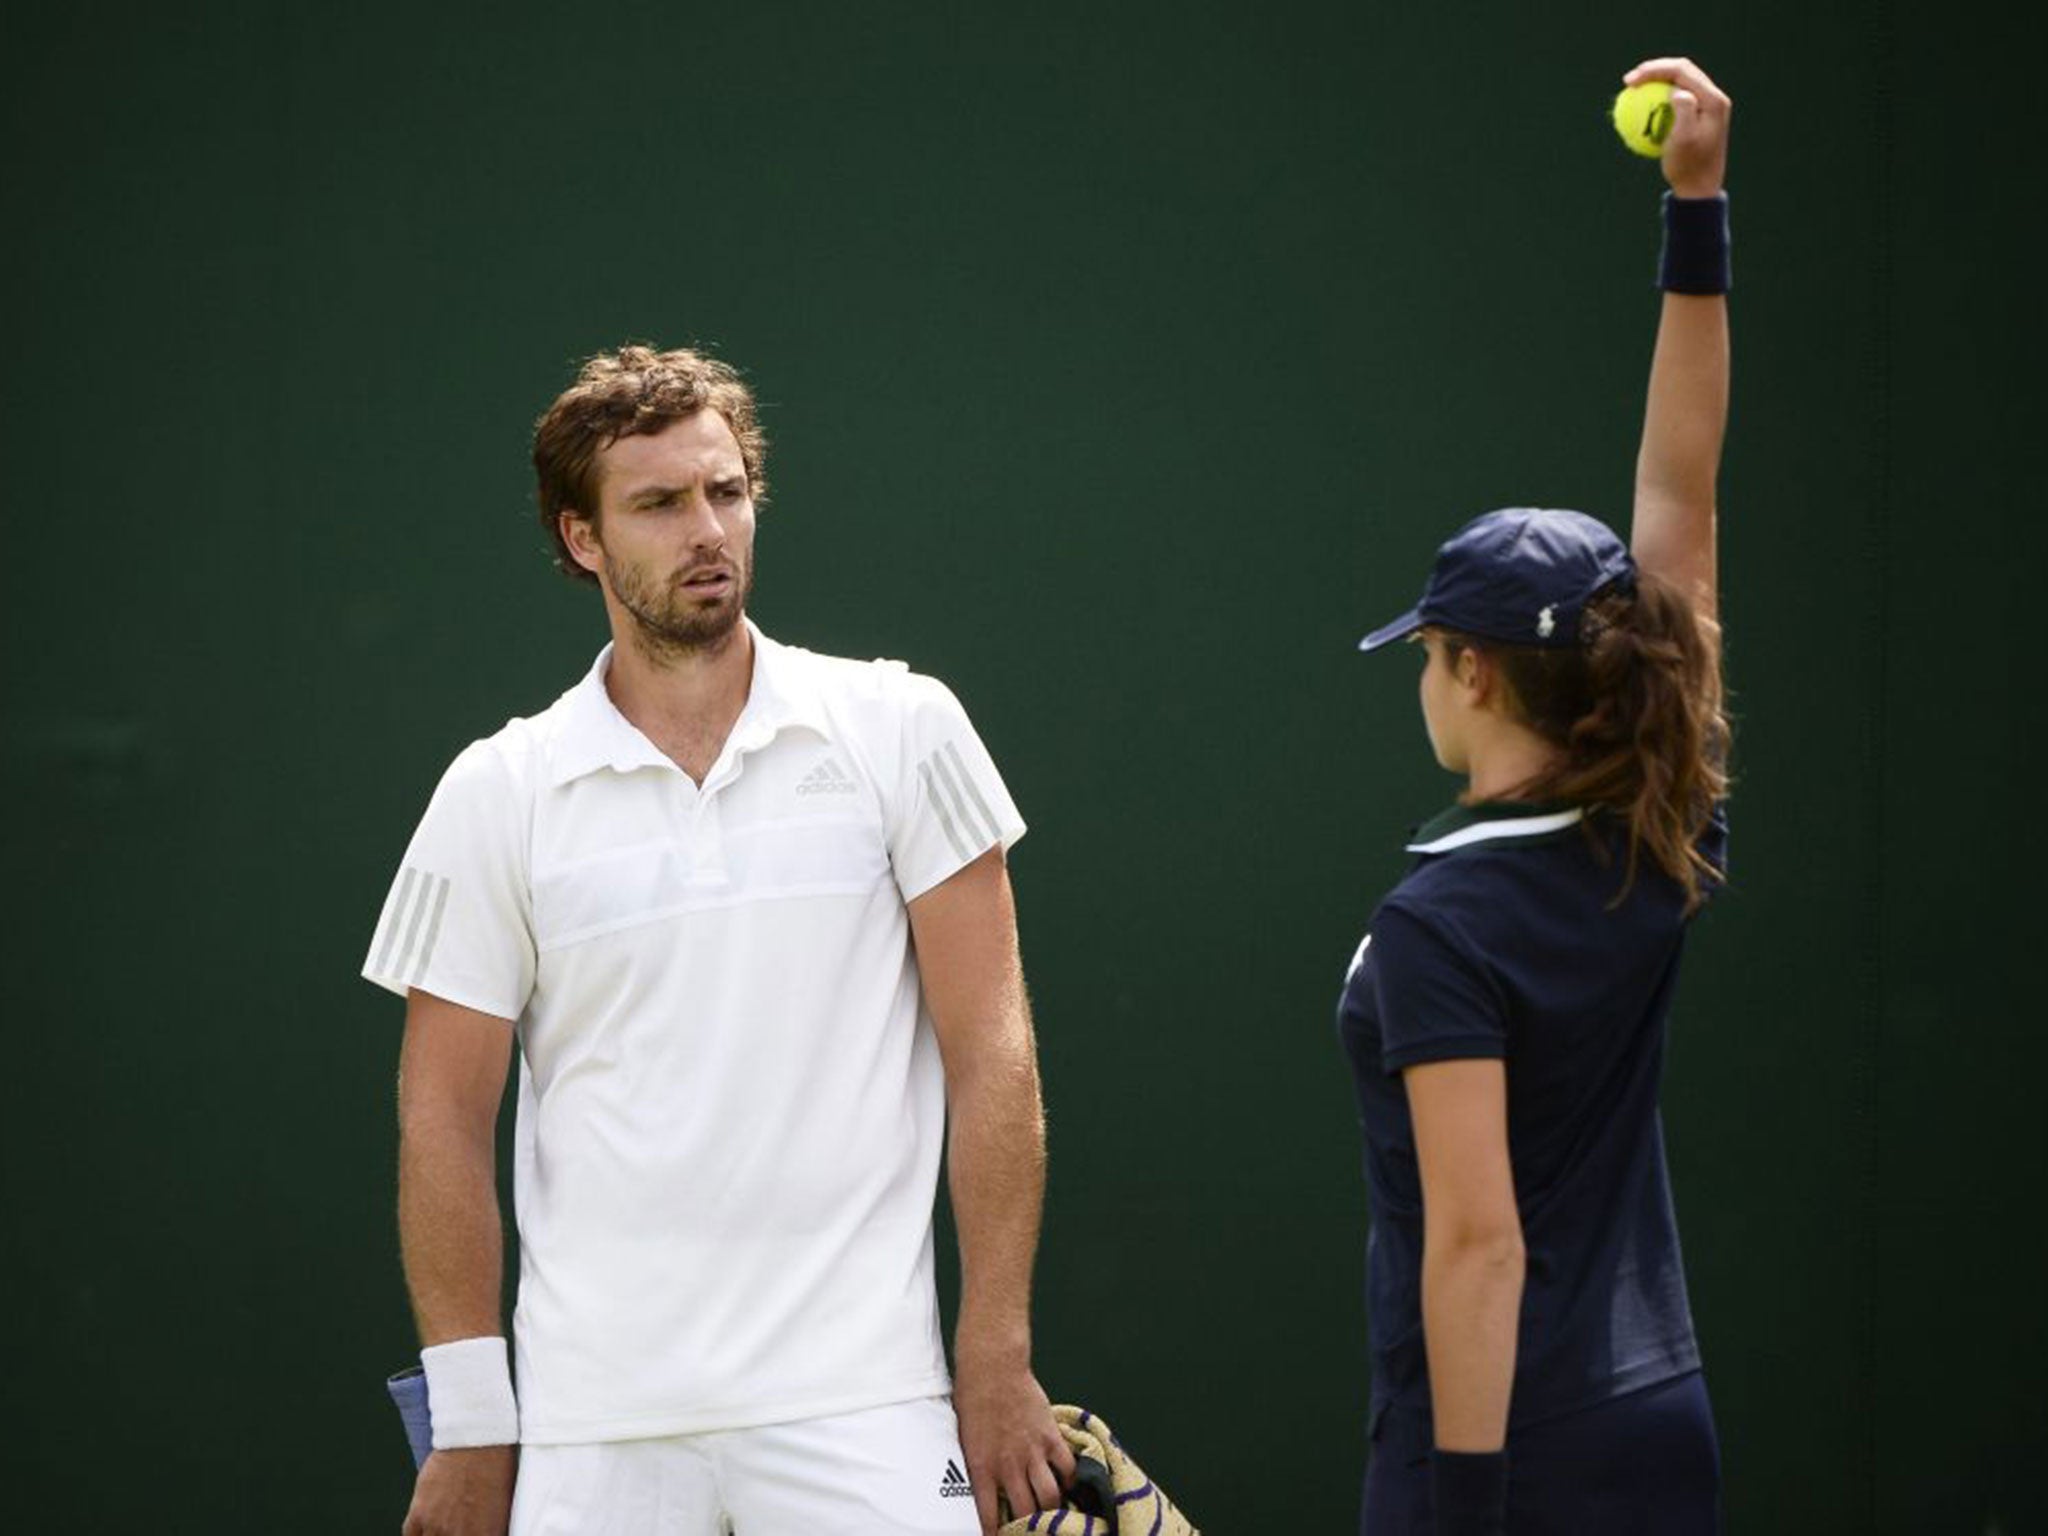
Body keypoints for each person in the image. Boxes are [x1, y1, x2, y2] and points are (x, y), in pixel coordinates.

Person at [362, 344, 1074, 1536]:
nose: (708, 529)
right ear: (581, 538)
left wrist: (992, 1358)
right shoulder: (497, 792)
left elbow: (992, 1055)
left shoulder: (902, 728)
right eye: (658, 503)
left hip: (869, 1408)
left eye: (726, 491)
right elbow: (441, 1115)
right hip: (593, 1432)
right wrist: (476, 1422)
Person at [1338, 57, 1734, 1536]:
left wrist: (1468, 1503)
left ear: (1473, 674)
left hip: (1502, 1449)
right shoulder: (1661, 825)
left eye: (1428, 653)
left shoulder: (1441, 923)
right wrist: (1696, 209)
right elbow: (1682, 508)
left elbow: (1480, 1246)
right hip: (1657, 1426)